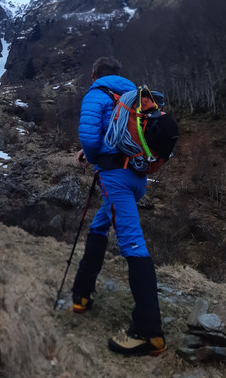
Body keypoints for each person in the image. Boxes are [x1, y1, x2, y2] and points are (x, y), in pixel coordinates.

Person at [72, 56, 167, 357]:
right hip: (138, 177)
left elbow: (89, 137)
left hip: (115, 177)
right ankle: (81, 294)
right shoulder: (136, 97)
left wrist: (92, 156)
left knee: (132, 244)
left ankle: (149, 333)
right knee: (101, 223)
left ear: (94, 74)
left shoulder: (96, 94)